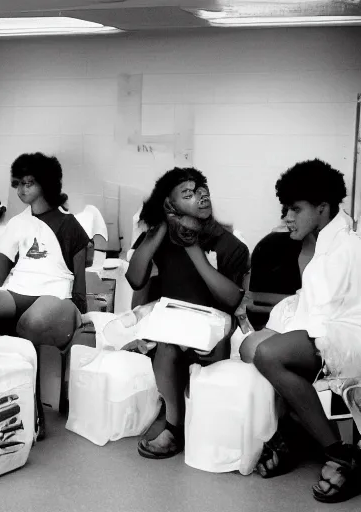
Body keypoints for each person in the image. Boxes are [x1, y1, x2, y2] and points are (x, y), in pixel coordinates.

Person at [238, 159, 361, 503]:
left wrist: (282, 339)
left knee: (269, 354)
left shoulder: (346, 247)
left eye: (295, 209)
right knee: (255, 348)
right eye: (286, 209)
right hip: (322, 330)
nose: (287, 217)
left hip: (346, 338)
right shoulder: (322, 242)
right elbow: (310, 306)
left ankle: (339, 454)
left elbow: (328, 317)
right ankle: (293, 434)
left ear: (322, 208)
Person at [126, 167, 249, 459]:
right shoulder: (160, 238)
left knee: (205, 352)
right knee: (167, 348)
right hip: (173, 323)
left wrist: (193, 248)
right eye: (189, 194)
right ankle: (173, 426)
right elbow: (134, 279)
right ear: (170, 205)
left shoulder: (230, 245)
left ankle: (197, 421)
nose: (201, 196)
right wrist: (162, 231)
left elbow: (231, 300)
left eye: (203, 190)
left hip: (216, 326)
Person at [0, 153, 90, 439]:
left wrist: (82, 312)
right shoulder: (16, 224)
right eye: (18, 183)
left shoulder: (70, 225)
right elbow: (0, 275)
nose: (22, 190)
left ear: (46, 184)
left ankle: (34, 410)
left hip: (56, 292)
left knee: (30, 323)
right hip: (19, 289)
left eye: (29, 183)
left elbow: (78, 279)